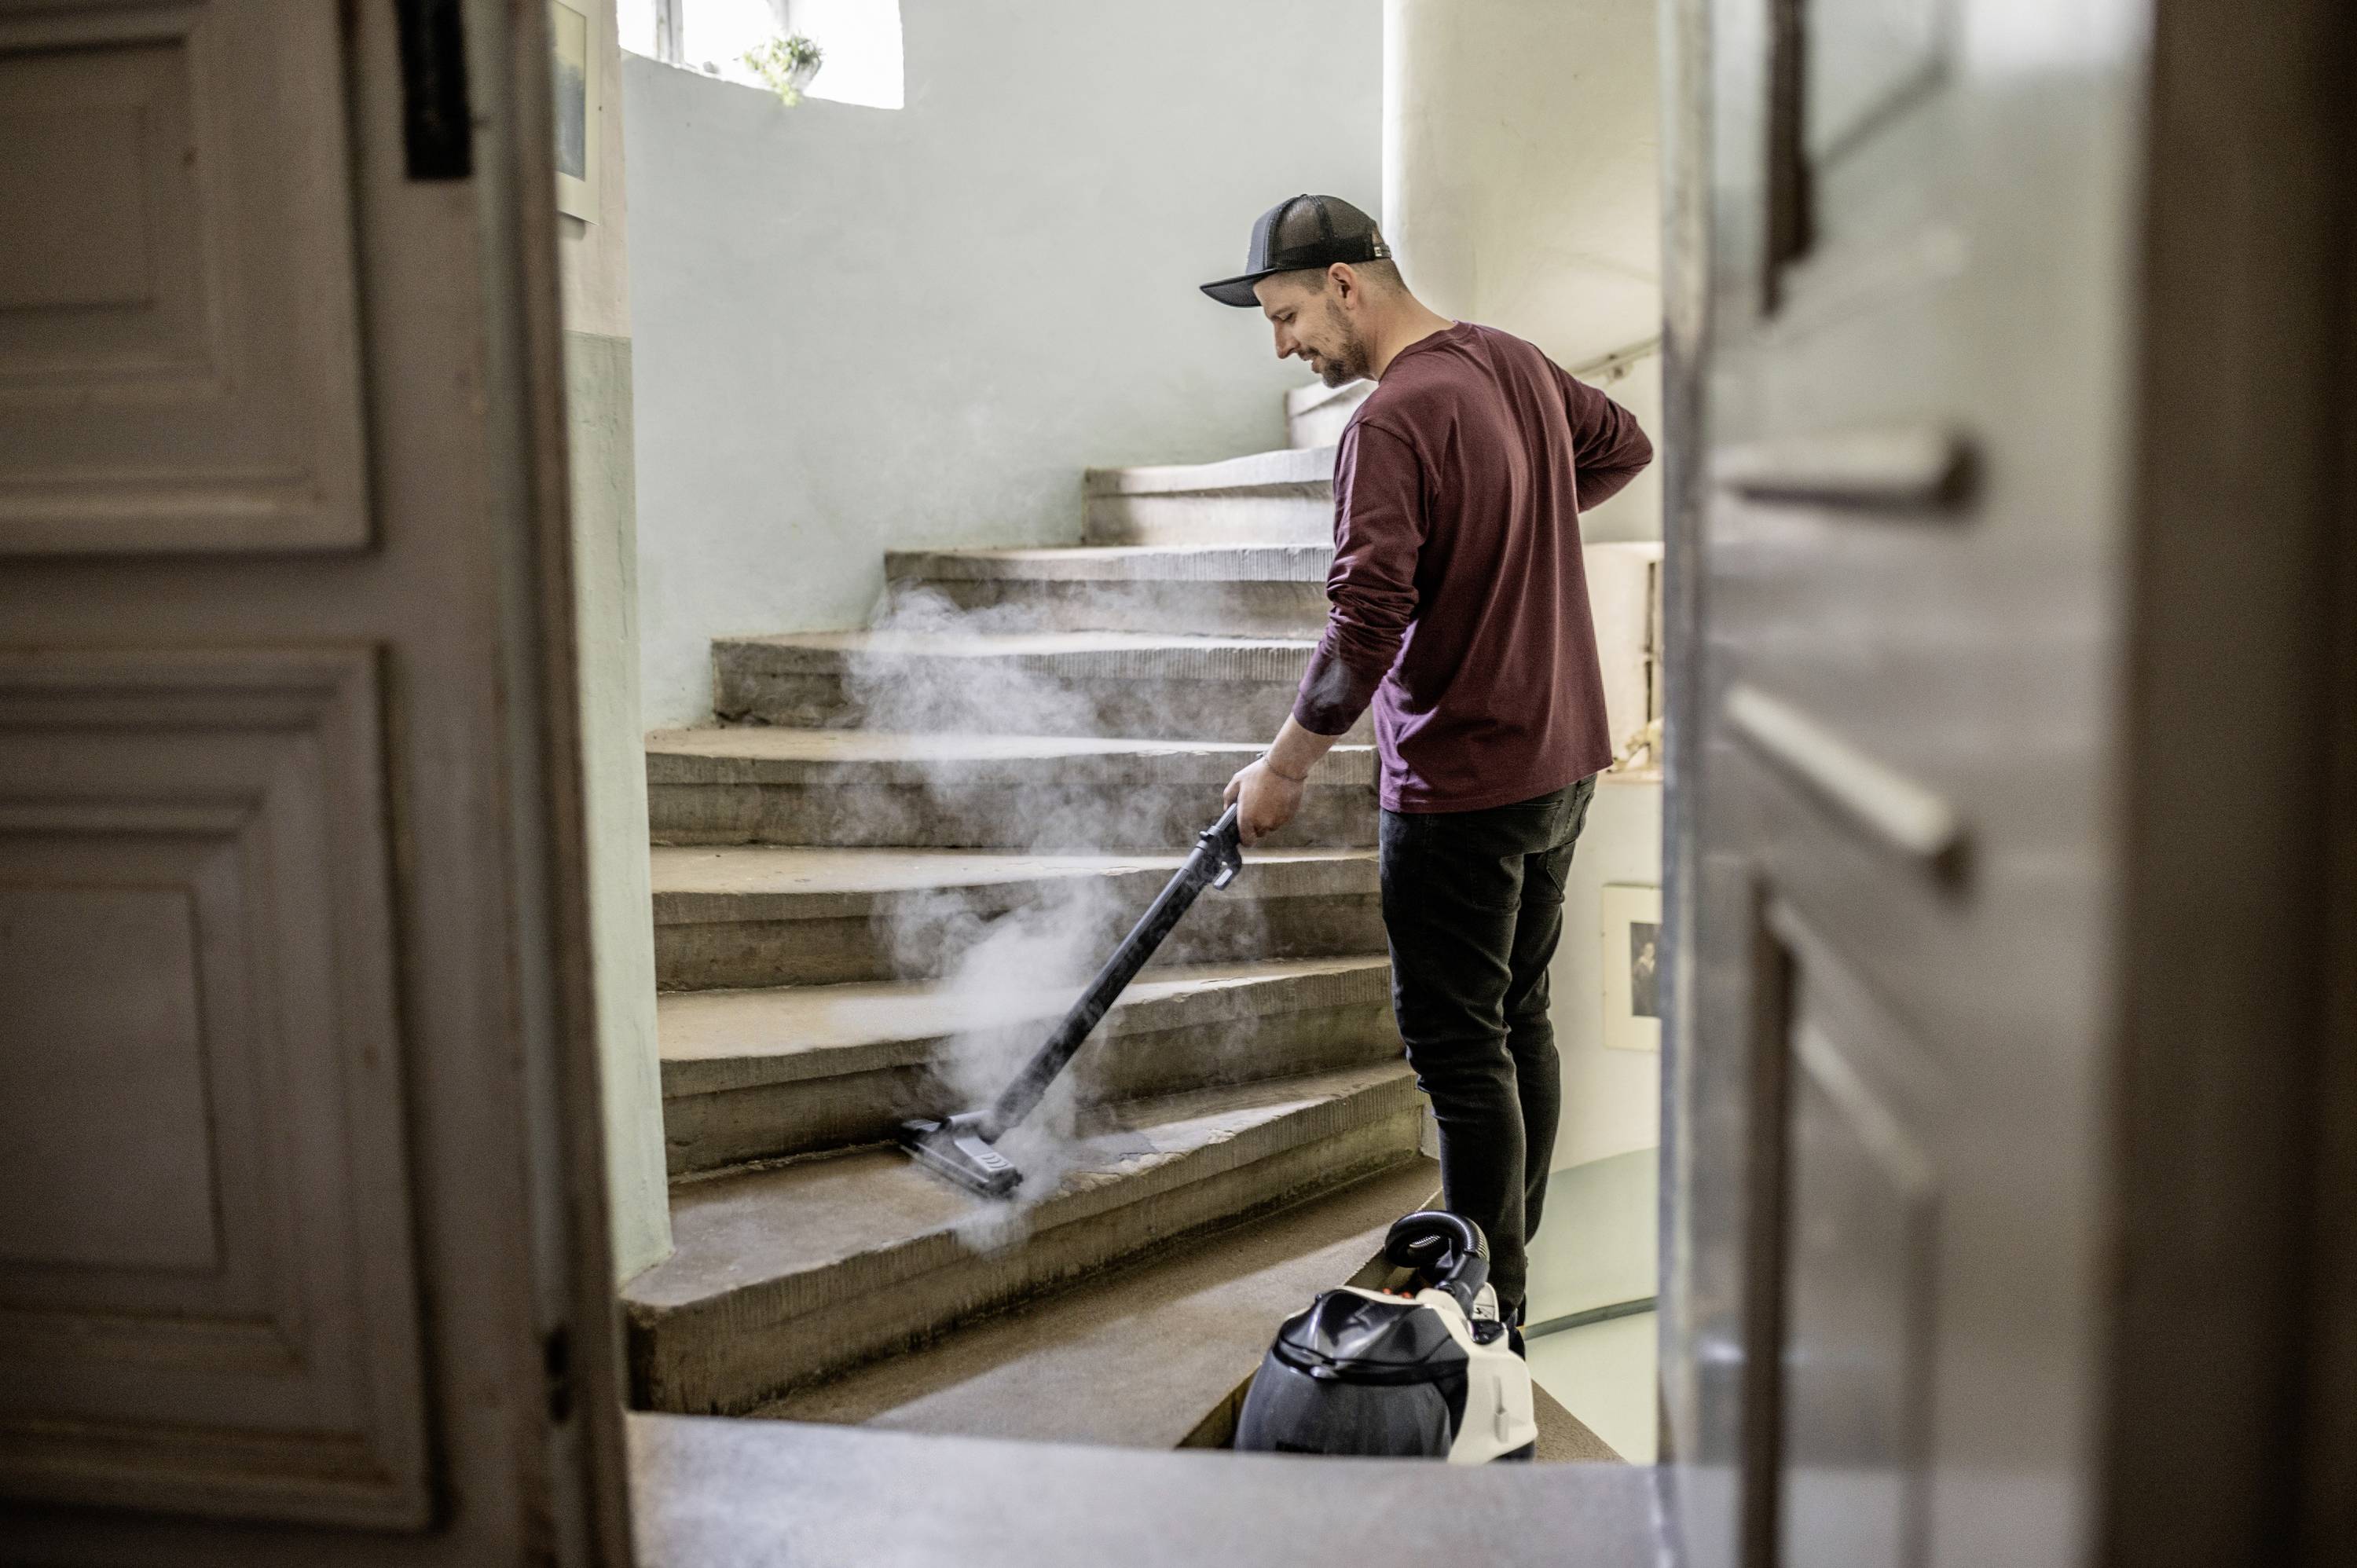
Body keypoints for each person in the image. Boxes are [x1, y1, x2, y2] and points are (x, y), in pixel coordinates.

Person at [1204, 194, 1654, 1334]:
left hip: (1462, 784)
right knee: (1519, 1020)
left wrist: (1286, 769)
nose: (1283, 343)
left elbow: (1363, 627)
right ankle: (1508, 1275)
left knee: (1462, 1052)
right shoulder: (1508, 361)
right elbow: (1625, 444)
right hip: (1562, 761)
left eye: (1287, 312)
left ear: (1348, 284)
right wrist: (1517, 519)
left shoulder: (1391, 422)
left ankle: (1480, 1314)